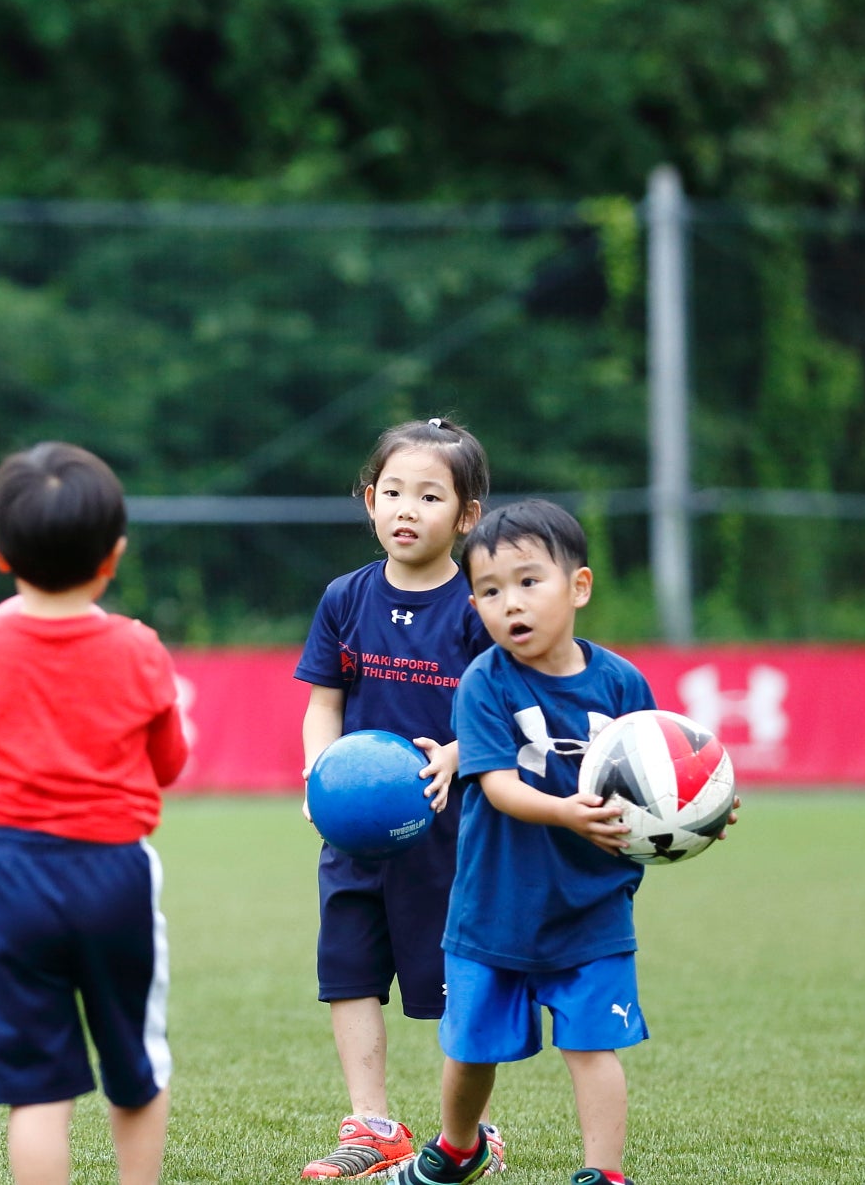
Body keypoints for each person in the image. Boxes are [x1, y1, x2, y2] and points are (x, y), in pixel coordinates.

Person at [383, 500, 737, 1185]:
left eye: (527, 582)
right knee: (471, 1050)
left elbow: (661, 774)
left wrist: (704, 811)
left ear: (578, 587)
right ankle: (459, 1148)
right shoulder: (485, 681)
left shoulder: (620, 682)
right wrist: (567, 812)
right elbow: (495, 786)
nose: (507, 604)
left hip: (593, 909)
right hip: (495, 908)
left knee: (593, 1044)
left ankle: (602, 1173)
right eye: (488, 591)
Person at [0, 442, 189, 1185]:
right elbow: (169, 766)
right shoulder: (140, 649)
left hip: (10, 876)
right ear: (115, 555)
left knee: (37, 1085)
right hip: (116, 875)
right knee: (135, 1065)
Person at [293, 418, 507, 1180]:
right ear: (367, 499)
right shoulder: (345, 598)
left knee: (452, 983)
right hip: (353, 829)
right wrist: (318, 775)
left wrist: (456, 755)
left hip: (451, 836)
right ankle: (372, 1123)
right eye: (391, 492)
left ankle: (470, 1128)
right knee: (347, 971)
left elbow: (504, 709)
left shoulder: (481, 607)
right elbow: (324, 699)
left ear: (468, 515)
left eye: (428, 495)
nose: (406, 509)